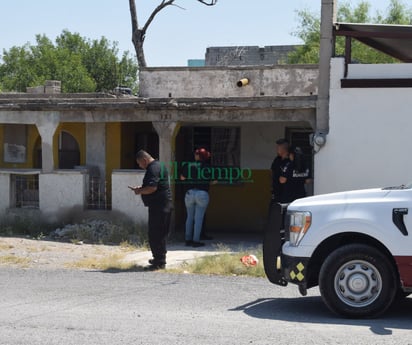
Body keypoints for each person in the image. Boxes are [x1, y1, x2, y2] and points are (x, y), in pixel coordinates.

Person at [129, 150, 172, 270]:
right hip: (162, 205)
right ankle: (158, 259)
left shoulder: (152, 168)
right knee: (159, 233)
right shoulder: (159, 165)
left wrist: (139, 191)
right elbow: (153, 186)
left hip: (159, 206)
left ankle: (159, 262)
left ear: (144, 160)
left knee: (156, 234)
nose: (140, 166)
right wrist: (142, 188)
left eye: (139, 163)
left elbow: (152, 188)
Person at [180, 148, 212, 248]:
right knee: (198, 218)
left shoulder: (188, 165)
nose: (195, 155)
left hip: (190, 193)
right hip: (202, 194)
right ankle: (196, 240)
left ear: (199, 156)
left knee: (189, 217)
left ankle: (188, 239)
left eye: (196, 153)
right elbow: (213, 180)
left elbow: (182, 178)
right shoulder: (208, 167)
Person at [270, 138, 291, 204]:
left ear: (283, 149)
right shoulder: (277, 159)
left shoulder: (290, 161)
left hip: (287, 191)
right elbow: (272, 171)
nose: (276, 149)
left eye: (278, 148)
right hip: (276, 190)